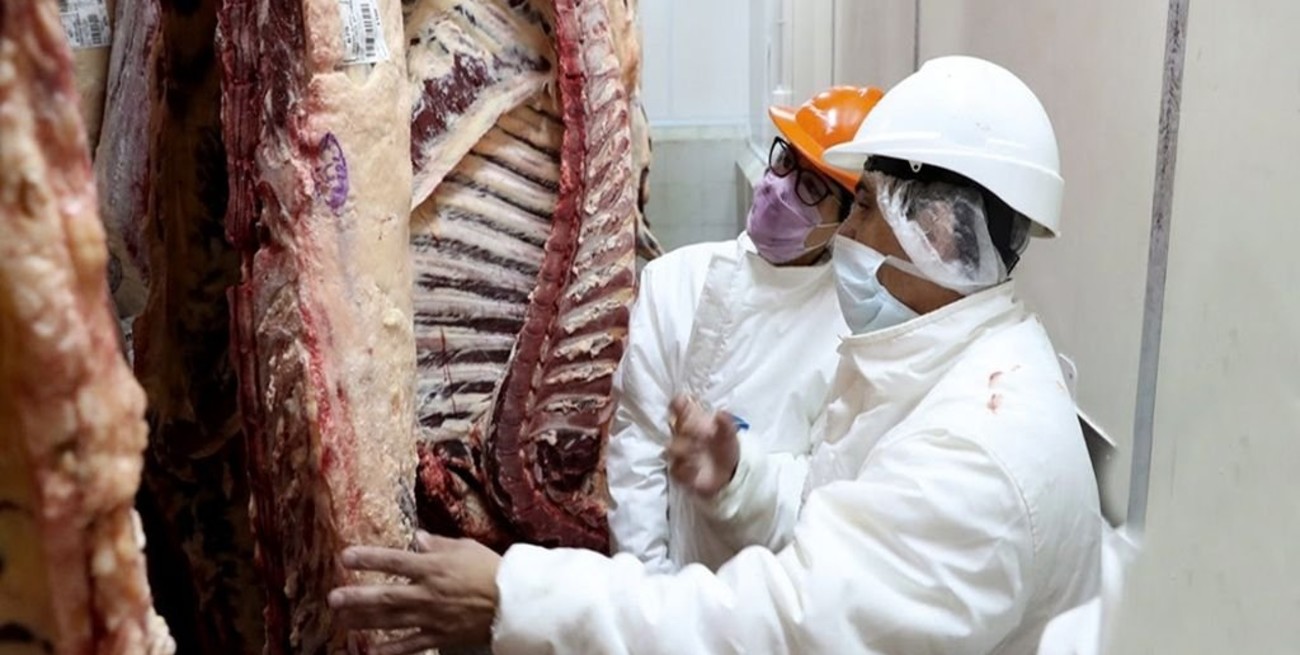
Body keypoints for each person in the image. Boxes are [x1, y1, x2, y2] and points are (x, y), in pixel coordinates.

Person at [327, 56, 1103, 655]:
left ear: (938, 232)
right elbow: (837, 505)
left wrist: (515, 599)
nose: (846, 235)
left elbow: (780, 628)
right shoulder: (934, 362)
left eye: (860, 205)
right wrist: (744, 478)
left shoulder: (978, 453)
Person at [608, 85, 883, 574]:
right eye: (785, 161)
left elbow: (820, 501)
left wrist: (740, 476)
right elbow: (637, 451)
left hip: (767, 601)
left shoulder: (852, 337)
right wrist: (647, 583)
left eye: (812, 186)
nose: (780, 187)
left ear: (847, 222)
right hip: (659, 589)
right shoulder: (674, 281)